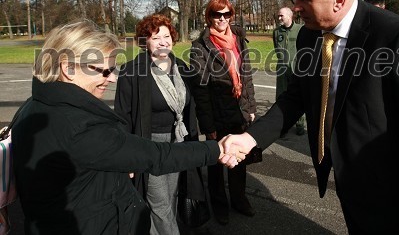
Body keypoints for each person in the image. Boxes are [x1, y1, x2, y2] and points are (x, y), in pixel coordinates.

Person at [221, 0, 399, 234]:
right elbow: (295, 97)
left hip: (384, 186)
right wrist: (251, 138)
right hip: (344, 178)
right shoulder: (309, 35)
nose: (296, 7)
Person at [11, 20, 240, 235]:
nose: (111, 78)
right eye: (103, 70)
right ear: (69, 68)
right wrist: (218, 149)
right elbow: (155, 155)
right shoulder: (78, 126)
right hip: (96, 222)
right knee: (160, 205)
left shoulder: (37, 105)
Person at [114, 14, 208, 235]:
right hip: (150, 146)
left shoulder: (182, 68)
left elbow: (194, 107)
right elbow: (122, 118)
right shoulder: (132, 71)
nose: (163, 41)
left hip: (179, 142)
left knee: (173, 197)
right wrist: (127, 157)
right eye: (156, 37)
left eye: (167, 36)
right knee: (159, 204)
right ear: (144, 41)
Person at [190, 0, 257, 226]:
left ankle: (239, 199)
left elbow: (246, 77)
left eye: (226, 14)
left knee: (239, 160)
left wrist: (250, 108)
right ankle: (219, 205)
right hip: (217, 114)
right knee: (217, 164)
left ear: (231, 15)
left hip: (238, 111)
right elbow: (201, 90)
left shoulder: (239, 40)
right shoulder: (200, 47)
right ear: (209, 16)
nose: (222, 19)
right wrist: (207, 126)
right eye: (217, 14)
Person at [273, 7, 306, 136]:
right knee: (281, 97)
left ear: (289, 16)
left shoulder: (301, 29)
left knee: (298, 95)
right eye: (278, 16)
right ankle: (283, 126)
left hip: (296, 69)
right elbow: (276, 48)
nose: (279, 18)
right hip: (282, 69)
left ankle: (300, 124)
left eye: (281, 16)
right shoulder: (276, 32)